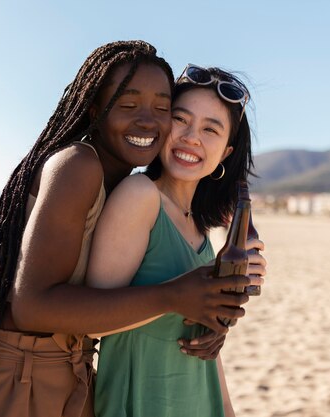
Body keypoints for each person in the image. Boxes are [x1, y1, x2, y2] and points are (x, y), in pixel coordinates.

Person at [0, 42, 252, 417]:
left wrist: (209, 311)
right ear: (95, 108)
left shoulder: (120, 182)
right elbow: (31, 306)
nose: (147, 121)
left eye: (161, 108)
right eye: (128, 105)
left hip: (67, 369)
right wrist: (174, 297)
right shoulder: (79, 164)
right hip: (17, 376)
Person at [87, 64, 266, 417]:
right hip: (143, 399)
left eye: (210, 129)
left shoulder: (200, 227)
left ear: (226, 154)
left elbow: (203, 346)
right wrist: (178, 297)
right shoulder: (140, 195)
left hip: (200, 398)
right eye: (181, 119)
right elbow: (92, 321)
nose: (191, 137)